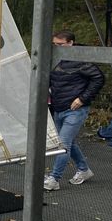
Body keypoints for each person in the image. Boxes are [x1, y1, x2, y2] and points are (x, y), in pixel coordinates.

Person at [44, 31, 105, 191]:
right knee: (67, 142)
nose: (56, 47)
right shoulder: (55, 58)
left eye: (60, 44)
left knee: (63, 144)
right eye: (54, 44)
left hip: (75, 109)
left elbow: (99, 78)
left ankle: (54, 179)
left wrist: (82, 99)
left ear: (71, 43)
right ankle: (84, 169)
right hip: (58, 107)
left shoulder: (81, 59)